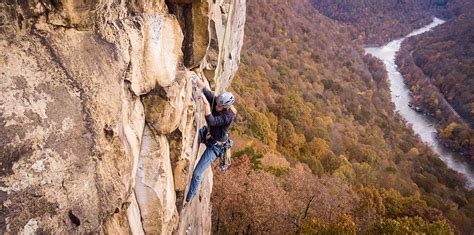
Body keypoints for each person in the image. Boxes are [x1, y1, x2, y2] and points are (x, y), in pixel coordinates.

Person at [185, 76, 236, 203]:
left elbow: (212, 121)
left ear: (225, 108)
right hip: (208, 135)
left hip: (216, 147)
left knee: (197, 173)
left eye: (219, 106)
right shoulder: (217, 102)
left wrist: (206, 104)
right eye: (217, 104)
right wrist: (194, 78)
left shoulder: (228, 116)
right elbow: (205, 90)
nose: (217, 107)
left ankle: (189, 198)